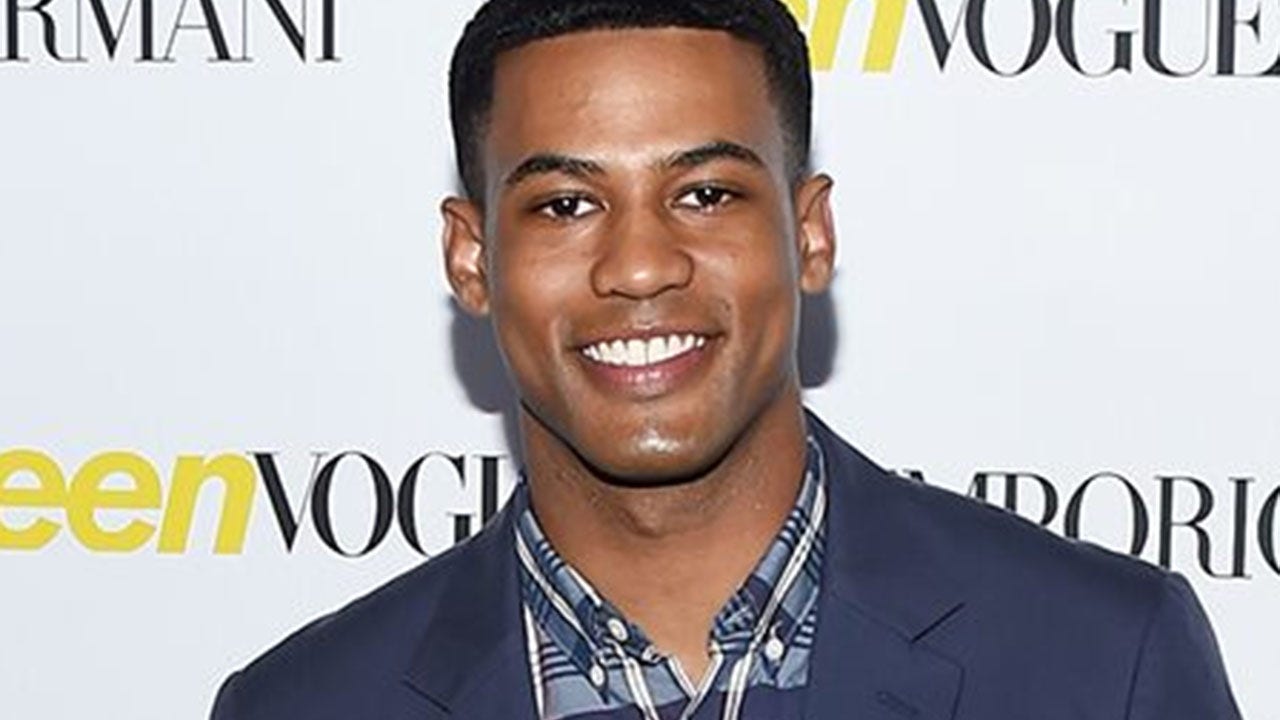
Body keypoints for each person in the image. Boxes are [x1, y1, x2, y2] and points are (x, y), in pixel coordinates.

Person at [210, 1, 1242, 718]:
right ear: (471, 258)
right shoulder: (302, 706)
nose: (639, 266)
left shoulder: (1102, 663)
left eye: (705, 194)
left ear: (810, 235)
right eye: (565, 205)